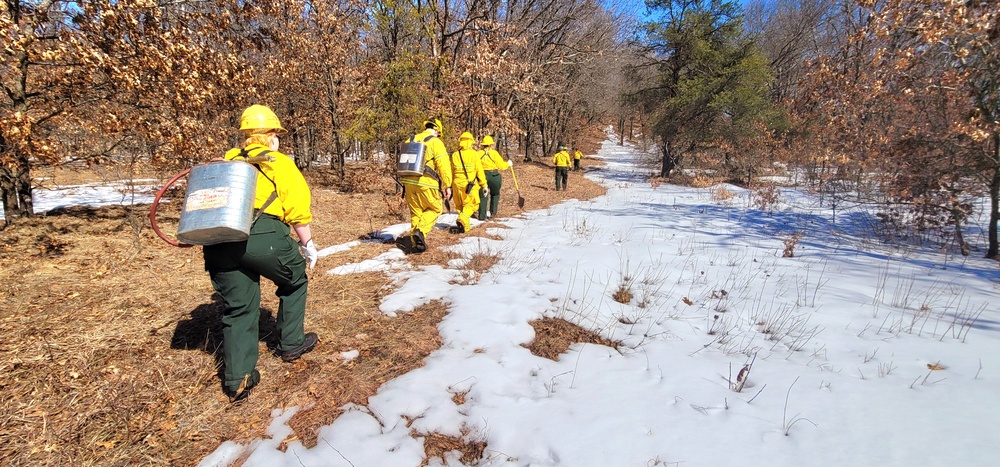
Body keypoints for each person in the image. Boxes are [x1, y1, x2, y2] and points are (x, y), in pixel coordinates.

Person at [203, 104, 319, 402]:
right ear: (269, 136)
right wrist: (306, 244)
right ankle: (291, 342)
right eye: (275, 133)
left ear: (244, 136)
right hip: (262, 233)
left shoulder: (225, 162)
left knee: (239, 307)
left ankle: (237, 379)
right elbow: (296, 208)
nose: (278, 138)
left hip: (220, 239)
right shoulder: (278, 162)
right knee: (295, 280)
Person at [397, 118, 452, 253]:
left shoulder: (410, 140)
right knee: (435, 209)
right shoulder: (435, 142)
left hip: (408, 183)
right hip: (426, 182)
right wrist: (447, 185)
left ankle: (415, 243)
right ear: (437, 131)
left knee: (416, 212)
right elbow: (443, 166)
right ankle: (420, 232)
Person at [449, 132, 487, 233]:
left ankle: (465, 228)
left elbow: (451, 171)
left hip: (456, 184)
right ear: (470, 142)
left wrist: (449, 186)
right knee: (473, 204)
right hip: (470, 185)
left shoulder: (455, 155)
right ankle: (462, 219)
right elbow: (479, 171)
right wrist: (484, 184)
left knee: (461, 206)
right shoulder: (474, 154)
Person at [478, 135, 510, 220]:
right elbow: (502, 165)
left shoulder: (478, 153)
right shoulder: (494, 153)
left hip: (482, 176)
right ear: (491, 144)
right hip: (494, 176)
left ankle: (481, 215)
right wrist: (508, 164)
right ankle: (493, 213)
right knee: (495, 194)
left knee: (483, 195)